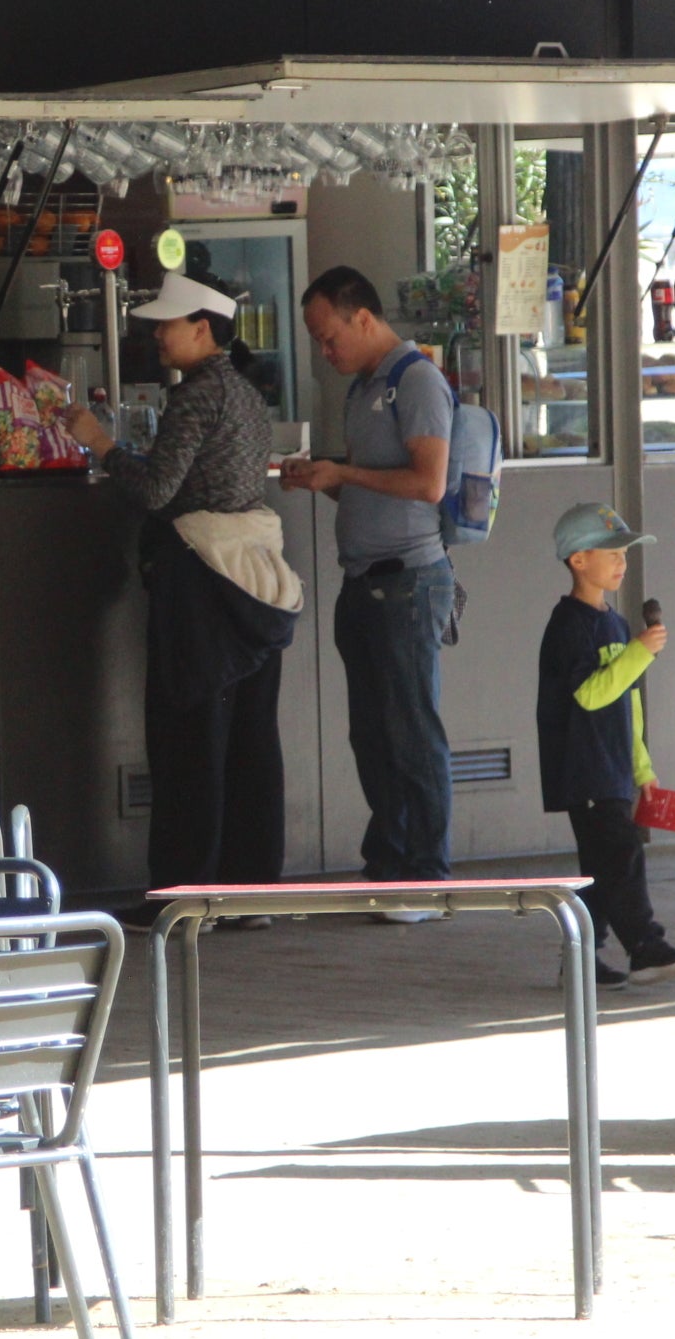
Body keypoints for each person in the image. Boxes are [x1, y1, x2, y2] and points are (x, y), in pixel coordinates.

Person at [65, 272, 300, 907]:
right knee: (252, 741)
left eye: (168, 323)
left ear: (203, 329)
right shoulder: (247, 394)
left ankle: (183, 895)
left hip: (200, 584)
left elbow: (157, 491)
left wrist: (102, 445)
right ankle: (252, 892)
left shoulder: (196, 397)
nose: (158, 334)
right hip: (254, 578)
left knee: (188, 742)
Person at [281, 266, 455, 918]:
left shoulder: (416, 380)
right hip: (362, 581)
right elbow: (373, 484)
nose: (325, 353)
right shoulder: (362, 388)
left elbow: (428, 482)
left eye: (329, 338)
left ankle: (428, 875)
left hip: (407, 581)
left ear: (362, 317)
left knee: (411, 732)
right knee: (372, 736)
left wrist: (345, 471)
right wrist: (325, 479)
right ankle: (390, 861)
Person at [537, 504, 675, 989]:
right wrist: (638, 652)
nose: (622, 562)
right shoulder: (568, 625)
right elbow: (591, 694)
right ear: (577, 560)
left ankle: (581, 960)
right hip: (583, 767)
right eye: (611, 552)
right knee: (621, 853)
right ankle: (645, 948)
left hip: (610, 768)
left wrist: (642, 768)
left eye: (625, 553)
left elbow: (627, 706)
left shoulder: (614, 623)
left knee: (601, 867)